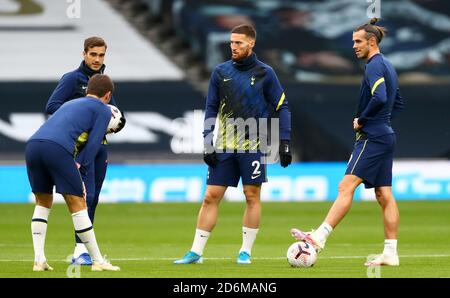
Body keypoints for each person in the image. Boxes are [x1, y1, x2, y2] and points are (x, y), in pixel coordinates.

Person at [174, 24, 292, 265]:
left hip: (253, 146)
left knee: (251, 196)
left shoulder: (265, 73)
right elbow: (211, 107)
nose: (233, 47)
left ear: (251, 44)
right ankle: (196, 252)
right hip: (224, 145)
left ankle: (245, 252)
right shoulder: (220, 72)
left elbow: (282, 106)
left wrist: (285, 142)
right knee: (211, 196)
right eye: (231, 42)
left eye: (238, 43)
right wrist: (207, 140)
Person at [291, 18, 404, 267]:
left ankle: (319, 236)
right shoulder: (388, 66)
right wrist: (382, 121)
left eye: (358, 41)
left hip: (372, 137)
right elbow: (397, 103)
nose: (354, 46)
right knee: (384, 194)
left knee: (345, 186)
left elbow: (380, 96)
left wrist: (363, 120)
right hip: (385, 134)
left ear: (371, 42)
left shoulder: (374, 65)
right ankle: (391, 253)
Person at [26, 74, 120, 271]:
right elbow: (94, 144)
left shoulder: (71, 103)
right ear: (108, 95)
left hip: (33, 145)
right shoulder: (103, 110)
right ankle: (97, 261)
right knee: (78, 204)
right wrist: (80, 166)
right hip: (57, 149)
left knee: (42, 203)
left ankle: (39, 261)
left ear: (87, 90)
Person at [45, 37, 125, 265]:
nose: (97, 59)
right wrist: (80, 119)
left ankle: (83, 249)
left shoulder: (104, 82)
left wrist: (119, 122)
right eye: (93, 54)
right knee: (85, 196)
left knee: (95, 196)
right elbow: (51, 106)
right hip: (80, 149)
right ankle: (80, 250)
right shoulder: (72, 79)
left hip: (100, 147)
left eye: (101, 55)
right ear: (84, 54)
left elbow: (113, 111)